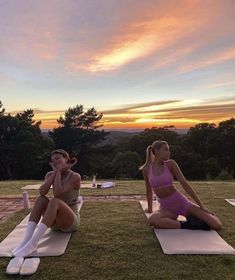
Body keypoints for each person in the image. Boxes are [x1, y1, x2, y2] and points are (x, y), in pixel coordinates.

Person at [140, 140, 222, 231]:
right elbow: (149, 190)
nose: (169, 152)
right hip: (166, 207)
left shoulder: (171, 164)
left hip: (182, 203)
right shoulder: (146, 169)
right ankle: (189, 225)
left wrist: (201, 205)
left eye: (169, 150)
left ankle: (200, 217)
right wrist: (150, 209)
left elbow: (185, 184)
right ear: (156, 151)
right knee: (153, 220)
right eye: (166, 150)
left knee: (216, 225)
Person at [12, 149, 81, 257]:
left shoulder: (75, 176)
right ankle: (26, 240)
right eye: (52, 160)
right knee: (41, 199)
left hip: (69, 223)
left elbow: (58, 194)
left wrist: (58, 172)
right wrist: (54, 173)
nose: (54, 161)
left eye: (58, 158)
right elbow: (42, 191)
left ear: (66, 159)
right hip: (54, 223)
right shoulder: (50, 174)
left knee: (55, 201)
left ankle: (33, 244)